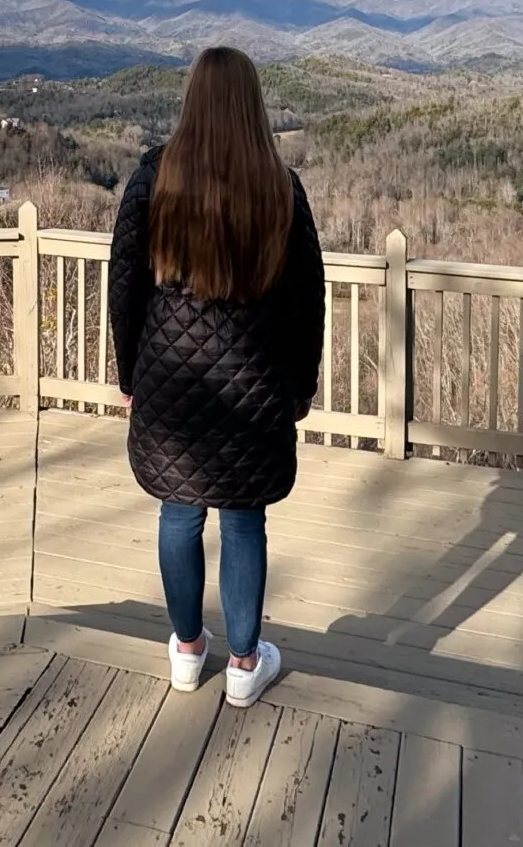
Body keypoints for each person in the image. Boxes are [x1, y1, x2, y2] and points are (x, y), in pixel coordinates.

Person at [106, 45, 327, 708]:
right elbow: (305, 298)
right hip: (253, 380)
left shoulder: (155, 180)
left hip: (173, 380)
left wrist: (130, 373)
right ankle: (243, 664)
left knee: (178, 512)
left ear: (192, 101)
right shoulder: (279, 187)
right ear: (252, 105)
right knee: (243, 521)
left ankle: (186, 651)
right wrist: (300, 385)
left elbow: (124, 286)